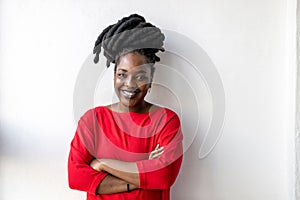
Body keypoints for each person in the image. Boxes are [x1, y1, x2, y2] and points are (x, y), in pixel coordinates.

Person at [68, 13, 183, 200]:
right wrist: (142, 176)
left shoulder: (166, 121)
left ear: (151, 80)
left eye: (140, 76)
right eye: (122, 74)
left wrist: (102, 164)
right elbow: (76, 177)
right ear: (114, 76)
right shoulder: (93, 120)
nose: (130, 84)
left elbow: (163, 176)